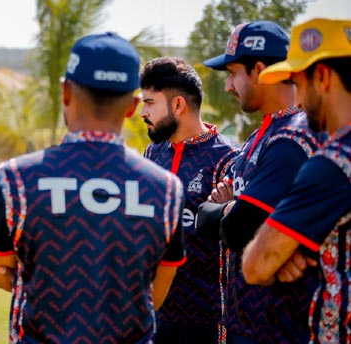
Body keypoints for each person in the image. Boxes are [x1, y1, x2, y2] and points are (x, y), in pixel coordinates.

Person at [0, 32, 186, 343]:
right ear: (132, 106)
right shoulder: (167, 190)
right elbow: (157, 291)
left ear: (66, 92)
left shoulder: (15, 179)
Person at [197, 20, 323, 343]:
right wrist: (231, 212)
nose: (228, 86)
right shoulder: (258, 137)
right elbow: (204, 218)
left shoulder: (294, 136)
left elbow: (238, 227)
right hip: (244, 324)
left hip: (280, 329)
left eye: (232, 73)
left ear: (258, 70)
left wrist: (229, 210)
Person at [242, 18, 351, 344]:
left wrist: (283, 255)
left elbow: (256, 266)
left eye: (297, 84)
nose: (298, 101)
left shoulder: (333, 164)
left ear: (322, 77)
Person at [140, 56, 239, 344]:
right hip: (155, 316)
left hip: (207, 322)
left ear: (178, 105)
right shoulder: (153, 153)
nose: (143, 112)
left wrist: (229, 208)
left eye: (150, 103)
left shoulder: (227, 159)